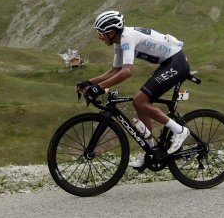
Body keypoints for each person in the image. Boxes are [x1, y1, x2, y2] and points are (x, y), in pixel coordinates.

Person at [77, 10, 191, 168]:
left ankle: (179, 131)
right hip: (167, 63)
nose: (100, 38)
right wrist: (89, 82)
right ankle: (152, 151)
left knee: (139, 100)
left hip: (176, 62)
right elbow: (115, 70)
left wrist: (99, 88)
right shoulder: (119, 41)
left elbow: (127, 71)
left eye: (101, 34)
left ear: (111, 31)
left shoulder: (127, 37)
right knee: (139, 104)